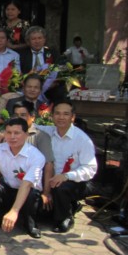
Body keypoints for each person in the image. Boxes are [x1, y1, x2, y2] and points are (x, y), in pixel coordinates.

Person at [36, 100, 97, 233]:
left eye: (66, 114)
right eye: (57, 113)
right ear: (52, 116)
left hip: (75, 181)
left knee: (61, 188)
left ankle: (65, 218)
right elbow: (28, 126)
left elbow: (90, 168)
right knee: (41, 213)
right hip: (51, 179)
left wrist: (66, 176)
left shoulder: (82, 139)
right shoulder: (48, 132)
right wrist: (4, 132)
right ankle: (69, 205)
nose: (61, 117)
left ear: (72, 117)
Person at [11, 101, 55, 212]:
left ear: (32, 117)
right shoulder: (9, 135)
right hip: (12, 182)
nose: (19, 119)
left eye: (23, 115)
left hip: (32, 185)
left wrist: (46, 192)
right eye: (16, 115)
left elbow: (48, 164)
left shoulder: (41, 136)